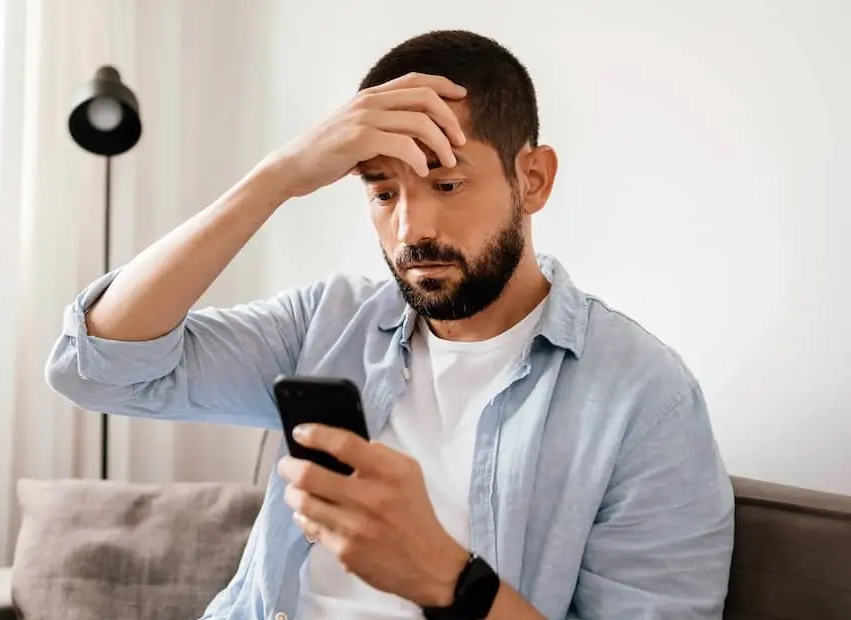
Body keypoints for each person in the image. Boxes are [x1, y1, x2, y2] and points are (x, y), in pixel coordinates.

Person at [46, 29, 734, 620]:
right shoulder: (331, 322)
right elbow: (96, 367)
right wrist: (279, 176)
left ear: (534, 180)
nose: (413, 228)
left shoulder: (646, 401)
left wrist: (446, 578)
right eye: (383, 191)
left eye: (446, 183)